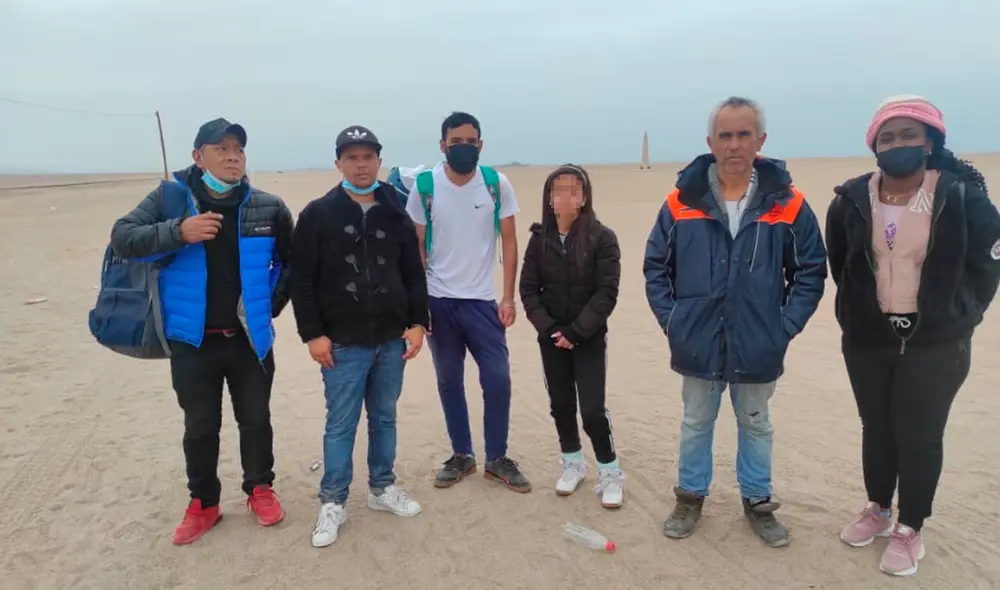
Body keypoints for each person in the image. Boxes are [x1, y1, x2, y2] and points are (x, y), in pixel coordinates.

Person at [826, 95, 1000, 577]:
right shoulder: (851, 198)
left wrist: (961, 315)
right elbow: (841, 263)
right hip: (868, 338)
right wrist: (862, 313)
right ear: (874, 145)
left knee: (920, 435)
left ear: (930, 141)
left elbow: (987, 265)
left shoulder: (962, 194)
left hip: (937, 342)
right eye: (887, 137)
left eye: (908, 135)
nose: (897, 144)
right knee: (876, 428)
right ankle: (879, 509)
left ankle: (911, 527)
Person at [642, 97, 827, 547]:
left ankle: (758, 503)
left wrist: (783, 328)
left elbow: (810, 271)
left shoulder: (788, 203)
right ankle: (690, 498)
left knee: (757, 423)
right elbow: (655, 267)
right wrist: (675, 321)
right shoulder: (681, 202)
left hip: (759, 343)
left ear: (760, 140)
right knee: (696, 423)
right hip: (697, 342)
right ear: (711, 142)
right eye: (725, 135)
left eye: (744, 134)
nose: (734, 144)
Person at [109, 118, 294, 545]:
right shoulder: (170, 199)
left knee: (256, 419)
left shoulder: (268, 205)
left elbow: (292, 261)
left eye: (239, 149)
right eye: (222, 148)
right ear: (198, 156)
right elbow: (123, 237)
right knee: (200, 426)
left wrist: (270, 305)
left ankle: (259, 489)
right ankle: (204, 503)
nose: (233, 156)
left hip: (249, 341)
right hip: (192, 341)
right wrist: (179, 231)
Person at [289, 126, 430, 548]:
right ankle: (333, 501)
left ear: (379, 161)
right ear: (338, 164)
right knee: (341, 424)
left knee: (384, 417)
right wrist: (313, 334)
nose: (361, 164)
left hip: (390, 339)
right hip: (343, 342)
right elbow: (302, 280)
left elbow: (413, 272)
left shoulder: (395, 210)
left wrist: (418, 322)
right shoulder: (319, 213)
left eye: (368, 156)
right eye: (352, 157)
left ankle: (382, 488)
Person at [404, 111, 530, 492]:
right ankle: (462, 454)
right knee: (449, 380)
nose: (463, 148)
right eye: (455, 142)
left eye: (470, 142)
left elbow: (508, 240)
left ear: (481, 145)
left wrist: (508, 296)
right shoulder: (425, 187)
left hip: (482, 301)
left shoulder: (496, 184)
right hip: (439, 301)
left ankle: (497, 458)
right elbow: (417, 248)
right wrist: (418, 305)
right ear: (442, 145)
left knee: (498, 380)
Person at [519, 164, 625, 508]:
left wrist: (577, 332)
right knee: (561, 404)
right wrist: (551, 329)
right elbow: (529, 290)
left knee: (592, 409)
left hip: (588, 338)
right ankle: (573, 463)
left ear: (584, 196)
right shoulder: (540, 240)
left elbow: (606, 293)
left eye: (573, 189)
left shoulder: (602, 237)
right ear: (549, 198)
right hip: (552, 339)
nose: (565, 196)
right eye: (557, 189)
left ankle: (609, 473)